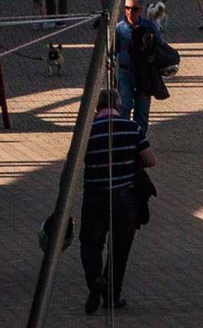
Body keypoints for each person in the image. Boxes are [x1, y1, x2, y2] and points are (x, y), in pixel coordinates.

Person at [79, 84, 151, 313]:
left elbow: (77, 159)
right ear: (119, 107)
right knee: (120, 248)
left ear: (97, 107)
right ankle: (113, 295)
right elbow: (150, 160)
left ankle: (95, 280)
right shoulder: (132, 128)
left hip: (94, 196)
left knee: (91, 243)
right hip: (125, 198)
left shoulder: (87, 130)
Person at [114, 0, 165, 133]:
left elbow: (160, 46)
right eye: (127, 8)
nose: (130, 12)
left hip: (145, 75)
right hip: (126, 73)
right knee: (124, 106)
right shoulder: (119, 28)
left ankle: (139, 141)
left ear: (141, 10)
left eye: (134, 9)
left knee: (141, 111)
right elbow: (113, 51)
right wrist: (112, 72)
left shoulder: (149, 26)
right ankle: (124, 137)